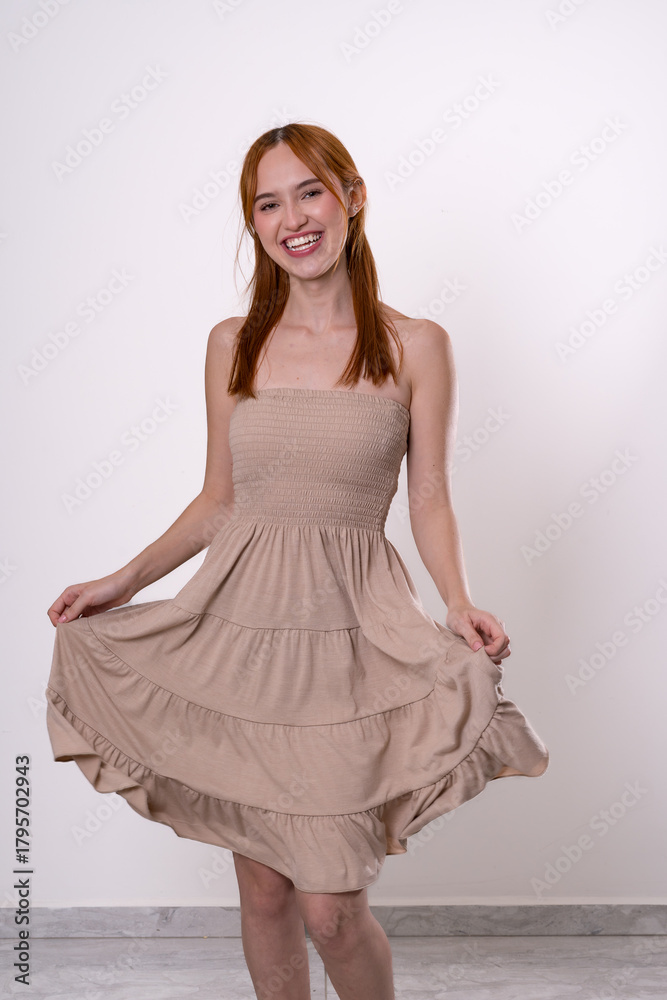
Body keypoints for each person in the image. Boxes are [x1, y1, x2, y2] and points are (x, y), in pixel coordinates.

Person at [46, 122, 549, 1000]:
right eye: (266, 203)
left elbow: (426, 495)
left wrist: (457, 600)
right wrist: (119, 583)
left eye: (309, 192)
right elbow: (220, 499)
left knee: (332, 909)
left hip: (352, 636)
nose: (292, 218)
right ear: (254, 224)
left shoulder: (414, 344)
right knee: (266, 889)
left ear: (352, 197)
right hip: (242, 635)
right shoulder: (230, 341)